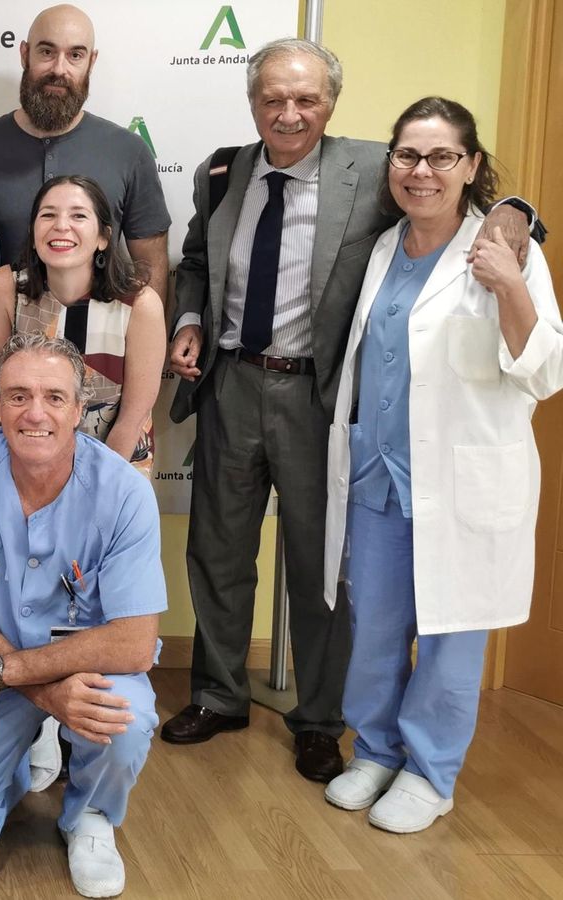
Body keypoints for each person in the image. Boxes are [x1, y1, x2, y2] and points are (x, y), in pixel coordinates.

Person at [163, 38, 539, 782]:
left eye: (306, 99)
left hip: (320, 394)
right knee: (218, 549)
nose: (289, 113)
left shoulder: (376, 167)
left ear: (331, 103)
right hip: (231, 383)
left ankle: (318, 719)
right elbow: (199, 261)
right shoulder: (222, 170)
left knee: (321, 565)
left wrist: (516, 215)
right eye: (273, 98)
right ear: (252, 101)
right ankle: (219, 694)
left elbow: (460, 189)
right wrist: (191, 318)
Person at [319, 98, 563, 833]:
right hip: (378, 476)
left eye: (441, 157)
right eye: (407, 155)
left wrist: (510, 282)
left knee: (453, 636)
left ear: (471, 165)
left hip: (460, 485)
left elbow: (544, 372)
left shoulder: (506, 250)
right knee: (375, 627)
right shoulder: (383, 247)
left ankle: (430, 772)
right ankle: (375, 750)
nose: (421, 171)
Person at [0, 333, 164, 899]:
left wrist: (6, 672)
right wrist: (45, 695)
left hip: (52, 670)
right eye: (18, 395)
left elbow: (133, 643)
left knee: (122, 716)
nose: (35, 413)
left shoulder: (124, 491)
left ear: (79, 409)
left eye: (54, 397)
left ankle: (91, 816)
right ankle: (22, 748)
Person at [0, 4, 170, 299]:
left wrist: (152, 327)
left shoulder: (129, 152)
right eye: (47, 52)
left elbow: (151, 270)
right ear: (24, 54)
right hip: (1, 325)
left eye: (75, 55)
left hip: (103, 327)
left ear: (91, 62)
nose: (59, 69)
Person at [0, 175, 164, 470]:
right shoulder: (5, 289)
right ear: (33, 231)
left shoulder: (140, 305)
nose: (61, 226)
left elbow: (133, 418)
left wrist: (94, 484)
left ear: (103, 237)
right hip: (29, 458)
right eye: (48, 215)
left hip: (115, 463)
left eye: (78, 215)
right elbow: (2, 398)